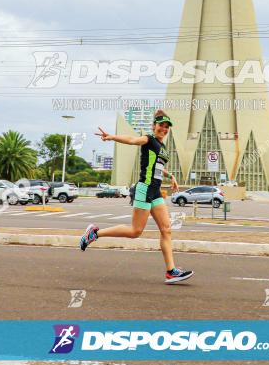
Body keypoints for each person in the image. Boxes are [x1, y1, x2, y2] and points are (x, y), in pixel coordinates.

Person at [79, 110, 193, 284]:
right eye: (161, 125)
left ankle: (171, 272)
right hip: (144, 189)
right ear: (154, 126)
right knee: (135, 231)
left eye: (166, 126)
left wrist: (171, 176)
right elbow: (132, 140)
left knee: (166, 229)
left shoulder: (161, 147)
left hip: (155, 191)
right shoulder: (148, 139)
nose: (164, 128)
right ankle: (95, 233)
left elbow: (156, 165)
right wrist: (111, 137)